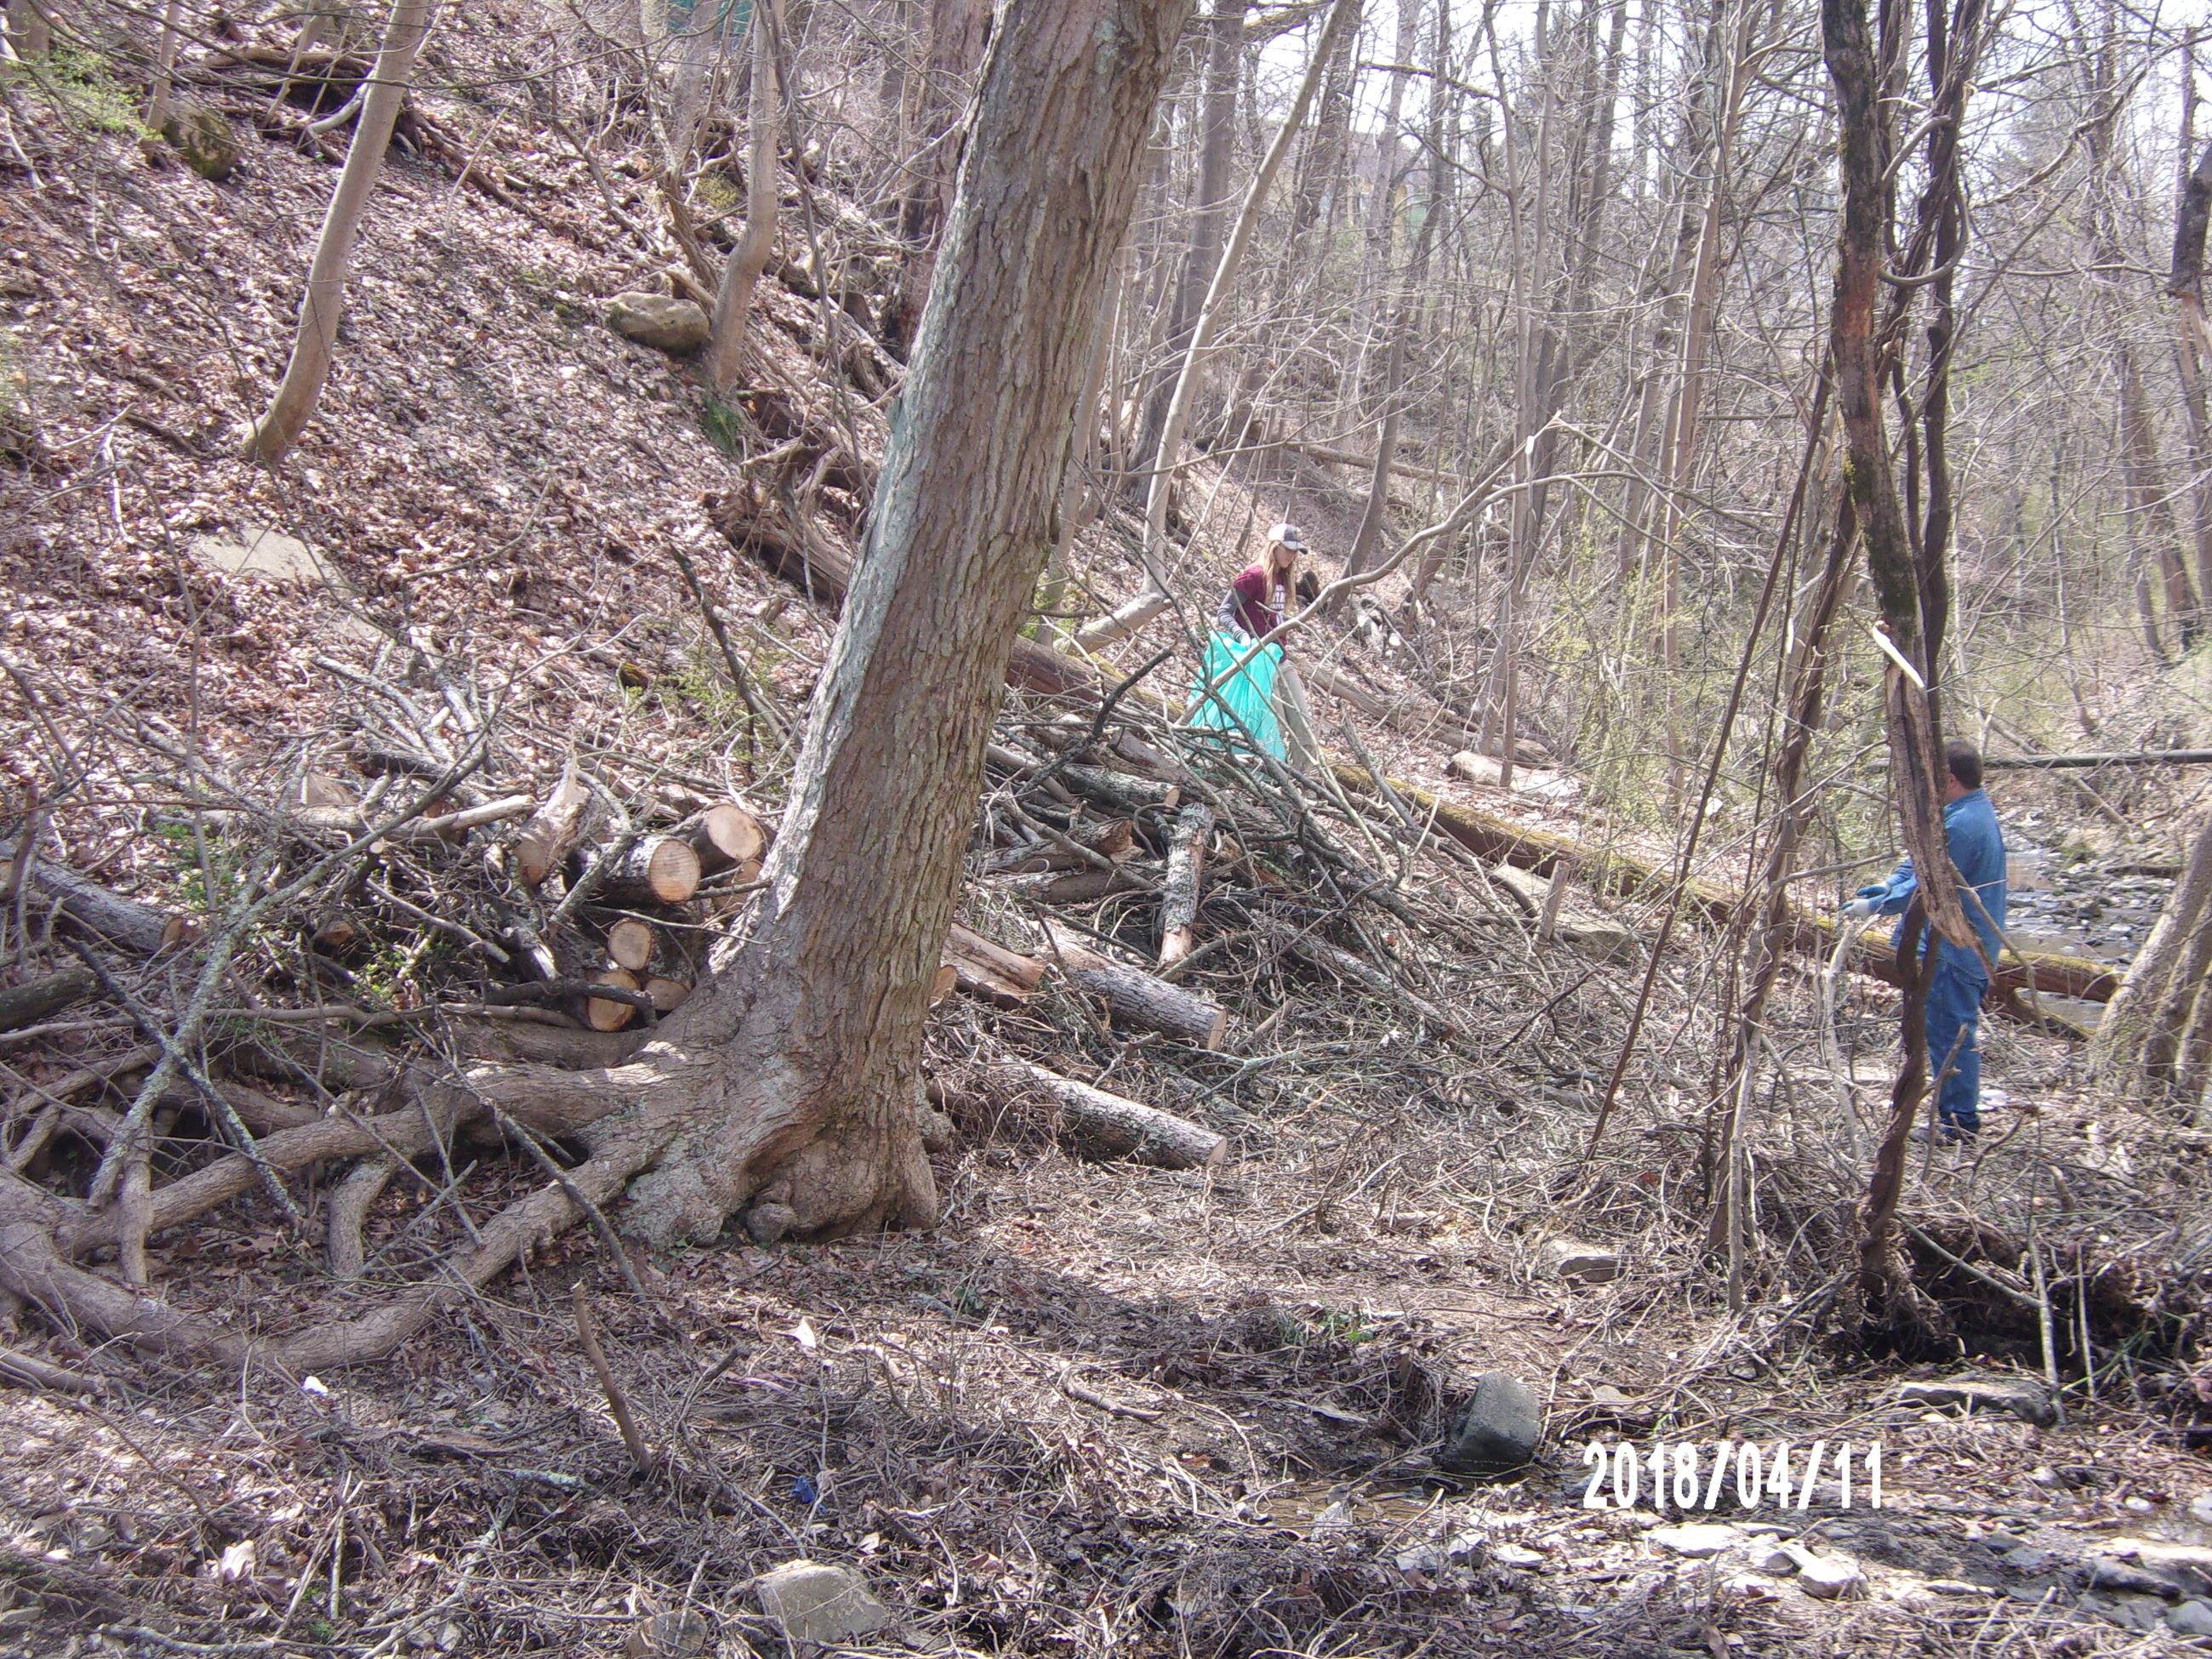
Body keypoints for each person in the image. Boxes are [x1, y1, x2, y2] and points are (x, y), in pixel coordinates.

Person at [1844, 740, 2008, 1141]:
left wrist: (1881, 905)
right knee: (1941, 1029)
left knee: (1952, 1032)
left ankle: (1959, 1123)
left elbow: (1930, 883)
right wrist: (1886, 885)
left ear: (1949, 779)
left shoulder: (1964, 825)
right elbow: (1918, 862)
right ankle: (1947, 1106)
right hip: (1951, 944)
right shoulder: (1957, 814)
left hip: (1957, 947)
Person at [1188, 523, 1304, 761]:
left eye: (1296, 551)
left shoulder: (1283, 578)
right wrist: (1243, 636)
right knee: (1273, 724)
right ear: (1274, 547)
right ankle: (1268, 775)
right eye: (1288, 549)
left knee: (1302, 722)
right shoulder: (1254, 576)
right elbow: (1224, 611)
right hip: (1258, 662)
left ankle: (1307, 787)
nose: (1292, 556)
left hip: (1280, 659)